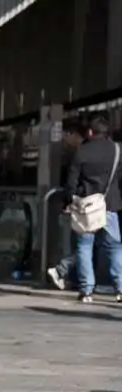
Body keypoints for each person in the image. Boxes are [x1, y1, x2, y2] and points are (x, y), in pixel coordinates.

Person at [65, 116, 122, 303]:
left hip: (86, 206)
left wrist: (69, 200)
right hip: (110, 205)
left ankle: (86, 290)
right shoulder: (117, 150)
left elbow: (71, 182)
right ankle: (120, 288)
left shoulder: (82, 152)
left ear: (90, 132)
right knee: (114, 247)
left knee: (84, 247)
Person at [47, 119, 88, 290]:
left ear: (74, 134)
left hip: (81, 204)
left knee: (84, 243)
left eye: (66, 134)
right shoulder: (78, 153)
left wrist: (68, 200)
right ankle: (67, 273)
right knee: (86, 244)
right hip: (85, 204)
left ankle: (65, 272)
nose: (64, 139)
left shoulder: (79, 154)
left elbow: (72, 182)